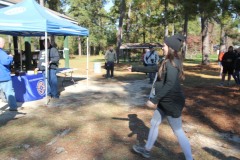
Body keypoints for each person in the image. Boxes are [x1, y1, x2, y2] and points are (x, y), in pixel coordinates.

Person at [128, 34, 193, 160]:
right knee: (154, 123)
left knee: (178, 131)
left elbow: (169, 85)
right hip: (166, 101)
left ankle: (189, 158)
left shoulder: (172, 63)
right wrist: (135, 68)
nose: (162, 47)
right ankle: (146, 150)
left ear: (170, 47)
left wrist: (154, 100)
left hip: (172, 103)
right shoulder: (166, 61)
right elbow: (153, 68)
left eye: (164, 45)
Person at [0, 37, 18, 111]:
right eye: (3, 43)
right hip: (4, 76)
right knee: (9, 92)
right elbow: (6, 62)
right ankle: (13, 107)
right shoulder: (1, 52)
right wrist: (10, 57)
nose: (4, 45)